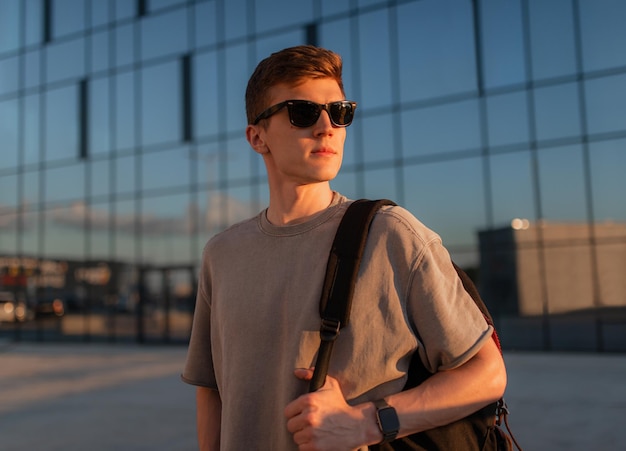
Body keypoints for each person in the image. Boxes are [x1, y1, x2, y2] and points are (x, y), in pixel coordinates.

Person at [182, 45, 507, 451]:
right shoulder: (223, 254)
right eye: (302, 112)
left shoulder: (393, 235)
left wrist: (368, 422)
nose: (326, 127)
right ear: (257, 136)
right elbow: (212, 390)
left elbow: (487, 374)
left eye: (340, 112)